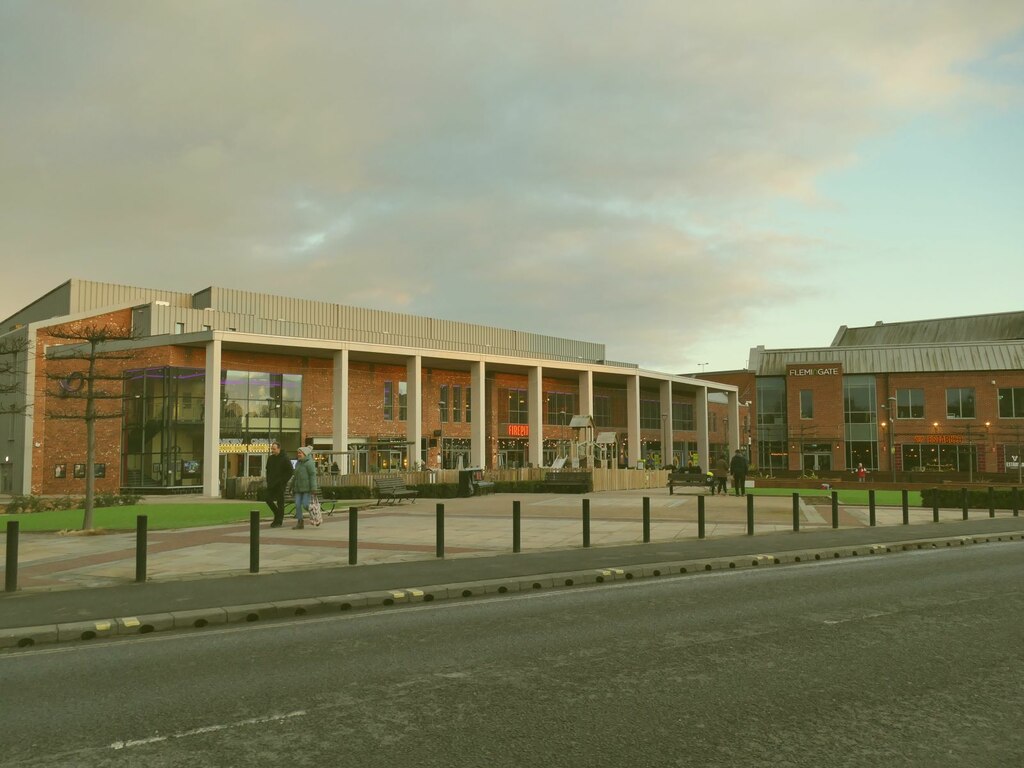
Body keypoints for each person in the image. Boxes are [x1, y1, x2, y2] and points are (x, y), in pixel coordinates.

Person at [264, 440, 293, 528]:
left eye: (274, 449)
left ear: (279, 449)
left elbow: (290, 471)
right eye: (272, 449)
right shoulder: (270, 458)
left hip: (280, 484)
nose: (272, 450)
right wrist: (268, 480)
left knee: (280, 502)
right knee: (268, 499)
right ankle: (277, 514)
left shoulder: (285, 458)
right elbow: (268, 470)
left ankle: (279, 521)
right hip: (271, 483)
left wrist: (282, 481)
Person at [291, 445, 318, 530]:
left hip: (307, 489)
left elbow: (312, 475)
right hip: (298, 489)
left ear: (305, 453)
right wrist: (291, 486)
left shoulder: (309, 463)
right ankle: (300, 522)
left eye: (300, 453)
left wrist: (314, 488)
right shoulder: (298, 463)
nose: (298, 454)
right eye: (298, 453)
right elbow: (295, 476)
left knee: (306, 505)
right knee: (297, 504)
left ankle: (314, 515)